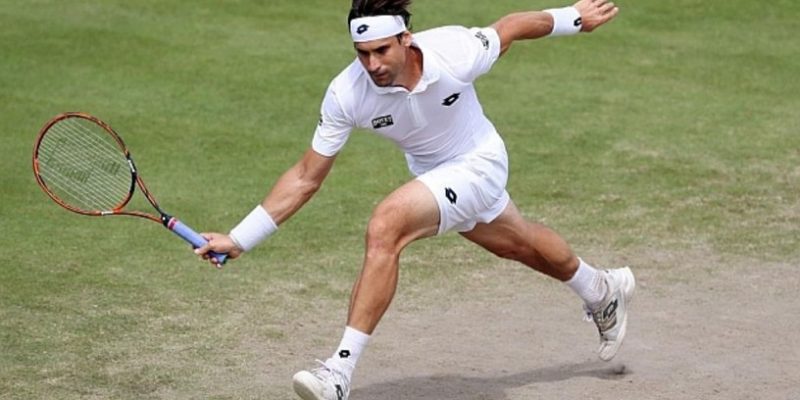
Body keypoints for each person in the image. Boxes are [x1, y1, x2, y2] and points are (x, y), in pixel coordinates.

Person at [196, 0, 634, 399]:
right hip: (434, 173)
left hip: (479, 161)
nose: (372, 63)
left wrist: (573, 18)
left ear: (406, 40)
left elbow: (511, 27)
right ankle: (601, 288)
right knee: (518, 243)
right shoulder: (346, 93)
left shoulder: (455, 50)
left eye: (382, 50)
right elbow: (306, 177)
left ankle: (338, 373)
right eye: (362, 53)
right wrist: (240, 237)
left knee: (386, 225)